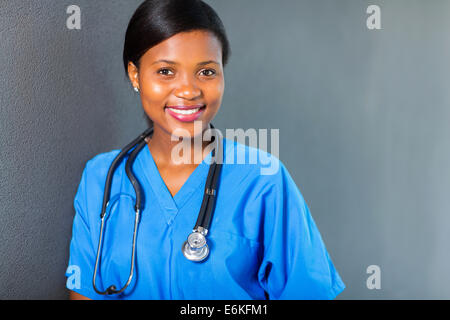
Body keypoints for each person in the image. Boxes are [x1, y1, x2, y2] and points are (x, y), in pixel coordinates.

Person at [65, 0, 345, 300]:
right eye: (165, 71)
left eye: (207, 72)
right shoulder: (102, 177)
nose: (188, 91)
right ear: (135, 75)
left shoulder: (263, 180)